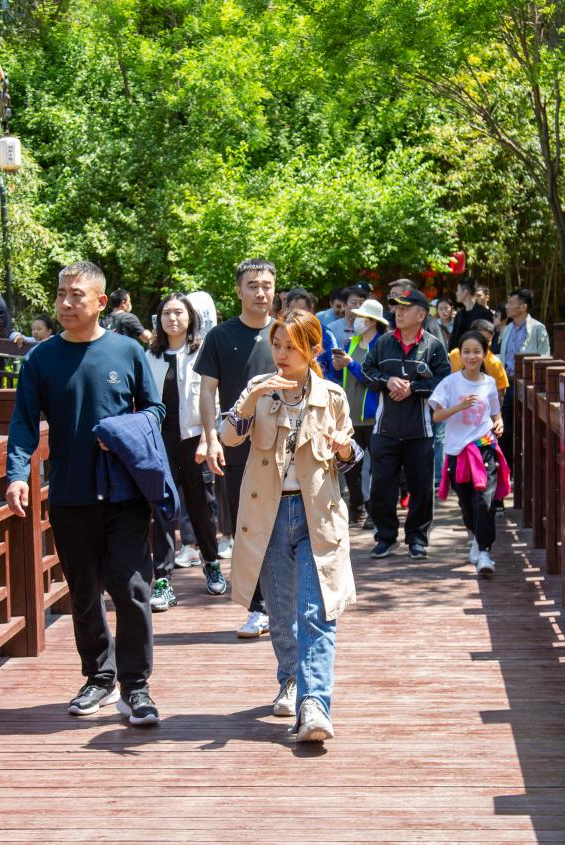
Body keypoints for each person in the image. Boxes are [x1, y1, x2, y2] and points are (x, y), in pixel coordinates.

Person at [5, 260, 165, 724]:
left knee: (132, 588)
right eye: (61, 294)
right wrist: (18, 474)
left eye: (77, 295)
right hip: (71, 493)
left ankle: (135, 687)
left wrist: (123, 429)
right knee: (83, 592)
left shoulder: (127, 351)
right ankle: (99, 676)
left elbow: (155, 410)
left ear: (100, 301)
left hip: (124, 494)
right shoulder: (40, 359)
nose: (66, 303)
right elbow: (22, 424)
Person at [219, 309, 361, 742]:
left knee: (317, 611)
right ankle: (291, 680)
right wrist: (248, 399)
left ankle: (316, 704)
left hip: (318, 515)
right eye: (276, 344)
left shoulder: (332, 395)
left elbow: (351, 454)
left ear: (313, 350)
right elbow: (228, 437)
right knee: (281, 613)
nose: (281, 354)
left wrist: (342, 448)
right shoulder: (259, 393)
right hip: (269, 516)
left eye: (291, 347)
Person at [195, 258, 278, 639]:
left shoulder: (286, 332)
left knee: (286, 523)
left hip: (284, 445)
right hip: (238, 444)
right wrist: (210, 439)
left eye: (266, 285)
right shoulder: (220, 336)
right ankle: (258, 606)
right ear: (238, 290)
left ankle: (286, 603)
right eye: (252, 285)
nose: (260, 292)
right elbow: (208, 392)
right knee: (247, 526)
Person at [146, 293, 225, 612]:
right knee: (162, 510)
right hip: (160, 441)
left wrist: (210, 437)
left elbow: (213, 399)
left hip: (196, 439)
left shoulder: (201, 351)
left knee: (202, 506)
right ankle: (162, 580)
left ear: (190, 318)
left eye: (179, 313)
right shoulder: (149, 355)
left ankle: (211, 562)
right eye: (167, 313)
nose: (173, 319)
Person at [363, 289, 450, 559]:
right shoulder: (383, 342)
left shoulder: (434, 346)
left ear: (421, 315)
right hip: (385, 430)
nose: (398, 312)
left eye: (405, 308)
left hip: (420, 431)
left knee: (421, 488)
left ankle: (417, 539)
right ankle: (386, 537)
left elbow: (444, 382)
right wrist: (386, 381)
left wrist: (414, 388)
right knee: (381, 488)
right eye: (396, 308)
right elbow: (367, 370)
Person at [431, 331, 509, 576]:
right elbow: (436, 415)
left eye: (477, 351)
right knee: (466, 504)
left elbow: (495, 412)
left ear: (485, 354)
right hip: (457, 451)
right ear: (459, 354)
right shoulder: (450, 383)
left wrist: (500, 423)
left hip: (484, 446)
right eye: (467, 352)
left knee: (485, 500)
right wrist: (460, 406)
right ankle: (477, 538)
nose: (472, 356)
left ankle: (485, 552)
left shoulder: (488, 383)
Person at [331, 298, 386, 528]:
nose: (357, 320)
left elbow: (373, 379)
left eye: (362, 317)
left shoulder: (382, 345)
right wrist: (338, 362)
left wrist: (351, 364)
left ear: (372, 322)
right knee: (350, 465)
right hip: (349, 416)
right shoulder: (351, 342)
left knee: (376, 469)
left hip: (373, 416)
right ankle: (357, 507)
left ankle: (375, 510)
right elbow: (339, 372)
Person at [498, 288, 551, 463]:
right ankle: (507, 467)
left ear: (523, 307)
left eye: (511, 303)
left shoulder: (537, 328)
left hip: (527, 384)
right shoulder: (507, 329)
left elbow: (545, 356)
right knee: (504, 426)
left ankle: (525, 465)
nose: (507, 306)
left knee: (525, 427)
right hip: (507, 383)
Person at [284, 288, 340, 381]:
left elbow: (335, 367)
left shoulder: (325, 333)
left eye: (302, 309)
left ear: (311, 310)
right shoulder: (281, 332)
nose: (297, 314)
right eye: (292, 309)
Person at [450, 279, 493, 350]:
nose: (456, 293)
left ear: (465, 292)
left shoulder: (485, 313)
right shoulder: (459, 315)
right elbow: (454, 339)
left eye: (458, 290)